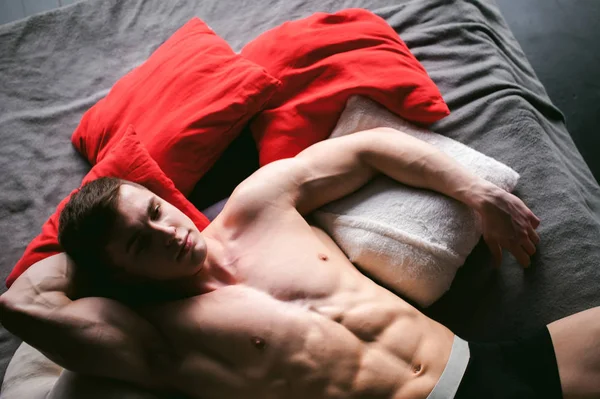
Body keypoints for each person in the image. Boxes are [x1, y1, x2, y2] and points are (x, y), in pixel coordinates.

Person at [0, 127, 598, 399]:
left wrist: (477, 194)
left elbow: (365, 149)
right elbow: (21, 303)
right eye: (138, 243)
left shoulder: (257, 205)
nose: (168, 232)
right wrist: (88, 258)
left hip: (483, 368)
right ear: (118, 273)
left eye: (154, 211)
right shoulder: (153, 333)